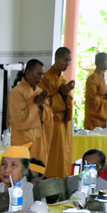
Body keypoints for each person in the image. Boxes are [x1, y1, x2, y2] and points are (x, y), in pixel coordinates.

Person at [40, 47, 76, 180]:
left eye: (69, 61)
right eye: (64, 60)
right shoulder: (46, 78)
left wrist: (65, 94)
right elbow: (44, 102)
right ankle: (51, 184)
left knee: (63, 157)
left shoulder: (62, 79)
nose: (67, 64)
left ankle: (62, 183)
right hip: (52, 124)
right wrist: (62, 93)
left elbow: (67, 102)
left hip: (62, 124)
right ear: (56, 59)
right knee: (53, 158)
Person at [8, 59, 52, 164]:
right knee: (22, 170)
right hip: (22, 142)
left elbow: (48, 117)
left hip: (38, 141)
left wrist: (42, 106)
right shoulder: (17, 92)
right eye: (38, 74)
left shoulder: (39, 91)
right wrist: (36, 104)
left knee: (37, 170)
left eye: (42, 74)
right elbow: (19, 119)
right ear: (28, 73)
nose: (41, 78)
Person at [84, 52, 107, 130]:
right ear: (99, 63)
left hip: (103, 119)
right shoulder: (93, 78)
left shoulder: (101, 78)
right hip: (94, 119)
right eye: (106, 60)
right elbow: (93, 100)